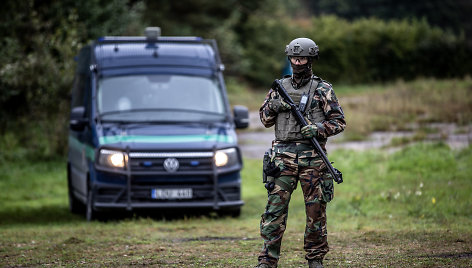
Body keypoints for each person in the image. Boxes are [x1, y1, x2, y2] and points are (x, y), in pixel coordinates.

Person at [256, 38, 346, 268]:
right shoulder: (279, 88)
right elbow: (265, 120)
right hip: (282, 159)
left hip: (313, 159)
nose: (298, 61)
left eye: (302, 57)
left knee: (316, 212)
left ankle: (315, 259)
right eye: (294, 58)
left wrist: (317, 128)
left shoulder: (323, 89)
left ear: (311, 59)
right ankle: (267, 260)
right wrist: (274, 106)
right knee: (274, 211)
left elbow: (338, 122)